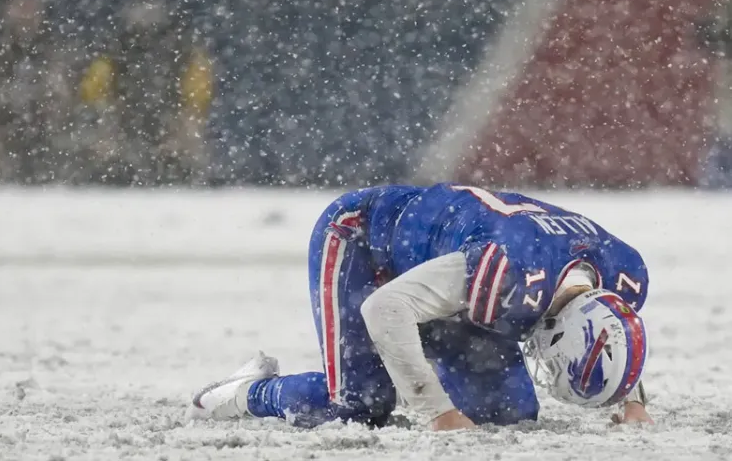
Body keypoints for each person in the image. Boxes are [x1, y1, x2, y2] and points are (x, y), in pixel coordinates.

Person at [187, 184, 652, 430]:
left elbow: (612, 321)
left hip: (461, 265)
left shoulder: (621, 274)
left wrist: (632, 399)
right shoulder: (508, 271)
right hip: (368, 243)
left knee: (505, 413)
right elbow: (384, 308)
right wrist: (437, 411)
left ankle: (416, 366)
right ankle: (243, 392)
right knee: (357, 406)